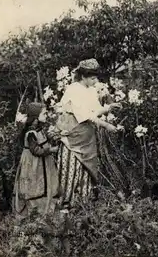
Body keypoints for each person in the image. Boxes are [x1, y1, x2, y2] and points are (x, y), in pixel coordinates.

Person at [55, 58, 121, 209]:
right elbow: (84, 115)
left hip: (87, 136)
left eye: (96, 78)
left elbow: (94, 111)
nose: (95, 81)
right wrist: (106, 125)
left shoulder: (91, 90)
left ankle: (82, 205)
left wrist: (109, 108)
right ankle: (65, 205)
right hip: (73, 135)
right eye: (92, 78)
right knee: (71, 169)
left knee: (87, 170)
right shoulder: (73, 89)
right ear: (83, 77)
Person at [14, 102, 61, 217]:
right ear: (36, 117)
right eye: (44, 114)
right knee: (34, 187)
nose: (46, 116)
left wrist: (53, 136)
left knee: (46, 184)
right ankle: (34, 212)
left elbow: (43, 140)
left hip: (43, 164)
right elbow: (36, 150)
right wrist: (51, 150)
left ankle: (46, 210)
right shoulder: (31, 133)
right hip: (33, 164)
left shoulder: (39, 130)